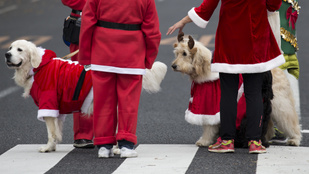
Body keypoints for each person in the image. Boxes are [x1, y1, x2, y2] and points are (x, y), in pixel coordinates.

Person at [167, 0, 284, 154]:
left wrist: (183, 21)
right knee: (254, 92)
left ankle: (227, 141)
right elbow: (274, 4)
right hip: (256, 34)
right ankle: (255, 142)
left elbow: (207, 7)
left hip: (230, 38)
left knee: (228, 93)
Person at [78, 0, 161, 158]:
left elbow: (87, 24)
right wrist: (148, 58)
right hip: (132, 53)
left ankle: (104, 145)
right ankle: (126, 145)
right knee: (128, 102)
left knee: (103, 102)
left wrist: (86, 56)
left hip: (102, 53)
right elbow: (152, 31)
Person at [61, 0, 94, 148]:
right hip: (82, 26)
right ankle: (83, 134)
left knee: (111, 80)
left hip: (110, 28)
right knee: (81, 81)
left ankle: (107, 133)